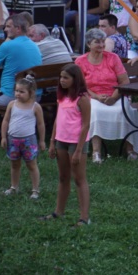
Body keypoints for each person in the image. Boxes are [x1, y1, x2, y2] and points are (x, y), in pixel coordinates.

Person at [76, 28, 138, 162]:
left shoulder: (113, 58)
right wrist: (96, 97)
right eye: (97, 42)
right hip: (92, 96)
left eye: (103, 41)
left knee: (126, 110)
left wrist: (113, 97)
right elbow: (80, 85)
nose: (102, 45)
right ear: (89, 44)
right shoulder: (81, 61)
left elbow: (124, 81)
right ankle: (96, 152)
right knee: (95, 111)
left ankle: (130, 150)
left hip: (116, 93)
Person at [40, 64, 91, 225]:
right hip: (61, 141)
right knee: (63, 177)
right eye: (61, 77)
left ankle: (84, 218)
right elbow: (58, 119)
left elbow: (86, 125)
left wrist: (79, 150)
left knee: (79, 179)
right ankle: (58, 212)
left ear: (75, 79)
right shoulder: (62, 96)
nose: (62, 80)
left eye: (66, 78)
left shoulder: (82, 99)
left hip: (76, 143)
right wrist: (52, 142)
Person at [0, 15, 42, 131]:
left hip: (12, 95)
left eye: (8, 26)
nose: (5, 29)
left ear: (18, 29)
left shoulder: (8, 45)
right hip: (35, 95)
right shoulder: (34, 45)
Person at [0, 77, 45, 199]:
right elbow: (6, 120)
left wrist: (42, 140)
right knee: (14, 164)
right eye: (16, 91)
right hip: (13, 140)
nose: (18, 94)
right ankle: (14, 187)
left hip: (28, 141)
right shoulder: (12, 104)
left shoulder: (35, 107)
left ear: (31, 93)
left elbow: (40, 124)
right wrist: (3, 137)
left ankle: (35, 190)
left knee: (31, 165)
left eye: (22, 91)